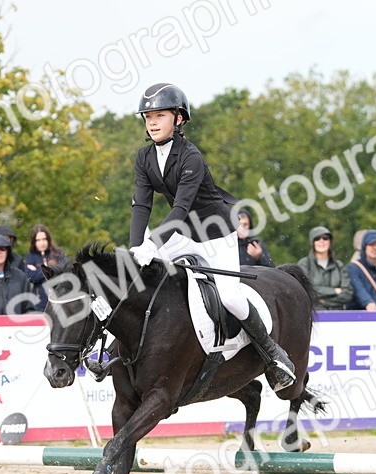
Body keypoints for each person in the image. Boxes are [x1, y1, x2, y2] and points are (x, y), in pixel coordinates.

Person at [126, 82, 294, 390]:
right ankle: (117, 355)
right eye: (147, 116)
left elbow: (179, 209)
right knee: (139, 281)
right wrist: (136, 247)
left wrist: (152, 244)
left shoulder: (191, 157)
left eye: (159, 115)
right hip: (183, 233)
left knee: (229, 295)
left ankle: (273, 353)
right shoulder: (144, 158)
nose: (151, 122)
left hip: (216, 233)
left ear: (178, 119)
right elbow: (141, 206)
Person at [295, 226, 353, 310]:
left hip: (337, 315)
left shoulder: (339, 265)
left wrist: (324, 302)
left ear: (330, 242)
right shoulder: (304, 264)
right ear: (312, 242)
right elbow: (306, 290)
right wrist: (334, 291)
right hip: (313, 314)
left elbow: (348, 293)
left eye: (325, 238)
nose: (321, 241)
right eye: (317, 238)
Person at [0, 234, 35, 315]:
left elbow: (29, 308)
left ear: (8, 252)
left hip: (16, 326)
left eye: (2, 248)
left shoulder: (20, 277)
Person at [24, 224, 67, 311]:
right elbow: (31, 277)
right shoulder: (31, 256)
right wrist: (50, 268)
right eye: (38, 240)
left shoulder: (58, 254)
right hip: (39, 303)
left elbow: (64, 274)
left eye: (44, 239)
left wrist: (38, 270)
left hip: (59, 300)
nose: (42, 243)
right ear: (34, 242)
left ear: (48, 239)